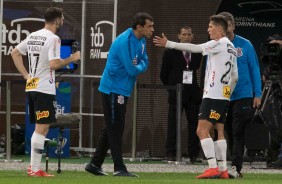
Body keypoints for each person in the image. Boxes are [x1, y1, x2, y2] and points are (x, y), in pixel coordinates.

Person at [154, 14, 238, 179]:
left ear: (220, 29)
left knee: (201, 130)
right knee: (219, 131)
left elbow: (196, 48)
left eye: (210, 27)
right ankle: (223, 170)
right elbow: (235, 77)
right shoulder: (232, 48)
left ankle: (213, 167)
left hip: (212, 95)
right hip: (223, 97)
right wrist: (226, 93)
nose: (208, 30)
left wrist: (168, 44)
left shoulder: (218, 43)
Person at [11, 7, 81, 177]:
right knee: (42, 128)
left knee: (41, 127)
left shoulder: (34, 35)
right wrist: (72, 58)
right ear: (57, 20)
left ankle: (34, 168)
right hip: (43, 88)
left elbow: (15, 52)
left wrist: (26, 75)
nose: (62, 22)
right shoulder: (54, 39)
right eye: (62, 19)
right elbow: (54, 64)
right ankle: (34, 169)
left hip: (32, 86)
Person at [85, 12, 154, 177]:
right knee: (115, 128)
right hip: (112, 89)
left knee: (112, 127)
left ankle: (94, 164)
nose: (152, 29)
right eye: (149, 26)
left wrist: (138, 66)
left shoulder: (141, 40)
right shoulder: (124, 41)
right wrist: (138, 67)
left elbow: (145, 61)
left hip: (122, 89)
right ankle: (119, 168)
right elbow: (132, 69)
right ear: (139, 27)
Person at [218, 12, 262, 178]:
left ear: (233, 26)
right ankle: (228, 164)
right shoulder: (217, 45)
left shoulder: (245, 44)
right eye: (223, 25)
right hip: (223, 94)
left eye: (228, 25)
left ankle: (236, 167)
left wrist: (257, 94)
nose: (226, 28)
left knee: (237, 131)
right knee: (227, 130)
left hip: (243, 94)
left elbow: (254, 69)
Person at [160, 26, 202, 163]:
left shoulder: (197, 52)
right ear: (179, 36)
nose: (186, 37)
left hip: (192, 95)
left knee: (195, 125)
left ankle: (193, 154)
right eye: (184, 34)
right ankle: (170, 153)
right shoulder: (170, 52)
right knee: (173, 125)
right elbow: (163, 75)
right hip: (176, 93)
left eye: (189, 34)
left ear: (192, 36)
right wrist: (172, 88)